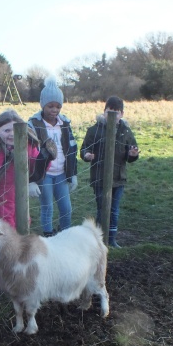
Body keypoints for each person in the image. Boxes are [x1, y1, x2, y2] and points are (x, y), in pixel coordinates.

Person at [80, 95, 140, 248]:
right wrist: (87, 155)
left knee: (114, 210)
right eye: (109, 111)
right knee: (102, 209)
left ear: (122, 114)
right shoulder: (94, 130)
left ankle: (112, 239)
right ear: (104, 111)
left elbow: (131, 152)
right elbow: (84, 148)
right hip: (99, 178)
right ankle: (100, 240)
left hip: (118, 178)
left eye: (116, 112)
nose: (112, 114)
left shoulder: (125, 131)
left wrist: (133, 154)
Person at [28, 76, 78, 236]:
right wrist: (31, 180)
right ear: (43, 104)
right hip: (45, 175)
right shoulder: (33, 125)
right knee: (47, 207)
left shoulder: (65, 124)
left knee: (66, 208)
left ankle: (65, 235)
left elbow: (72, 149)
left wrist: (73, 173)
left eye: (58, 106)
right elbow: (29, 153)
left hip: (61, 173)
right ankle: (48, 237)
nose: (54, 110)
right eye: (50, 106)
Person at [0, 109, 44, 229]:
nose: (12, 134)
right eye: (7, 130)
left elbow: (35, 165)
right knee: (4, 225)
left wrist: (45, 159)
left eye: (15, 130)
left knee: (21, 221)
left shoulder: (26, 144)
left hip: (18, 192)